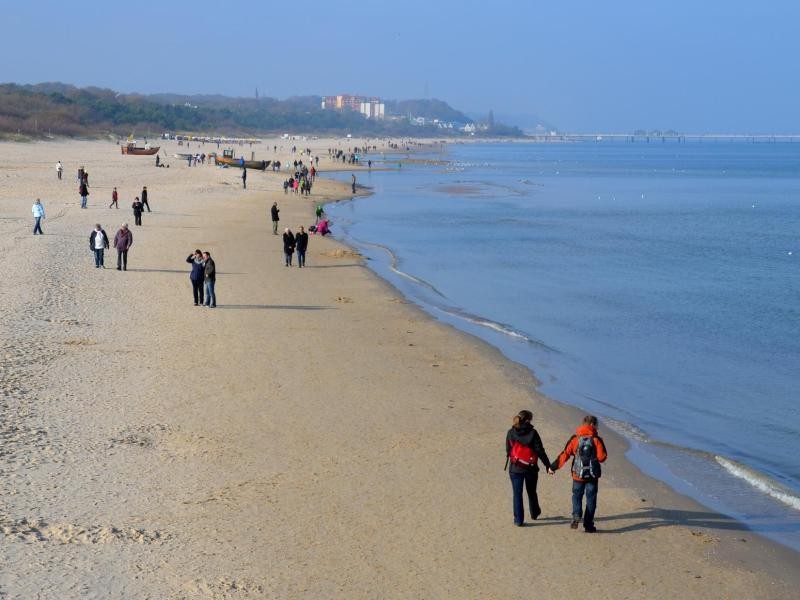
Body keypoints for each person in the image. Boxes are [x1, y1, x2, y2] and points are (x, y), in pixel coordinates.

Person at [550, 415, 608, 533]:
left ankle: (576, 515)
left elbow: (565, 454)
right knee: (591, 499)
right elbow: (602, 457)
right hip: (592, 476)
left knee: (577, 496)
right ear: (592, 425)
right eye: (597, 425)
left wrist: (553, 467)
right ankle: (588, 525)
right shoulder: (597, 440)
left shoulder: (575, 439)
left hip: (577, 475)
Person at [505, 410, 554, 527]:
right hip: (531, 469)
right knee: (531, 492)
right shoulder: (533, 433)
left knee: (517, 494)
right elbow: (540, 451)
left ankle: (518, 520)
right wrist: (548, 466)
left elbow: (508, 451)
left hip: (515, 469)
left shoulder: (511, 432)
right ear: (528, 420)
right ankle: (534, 513)